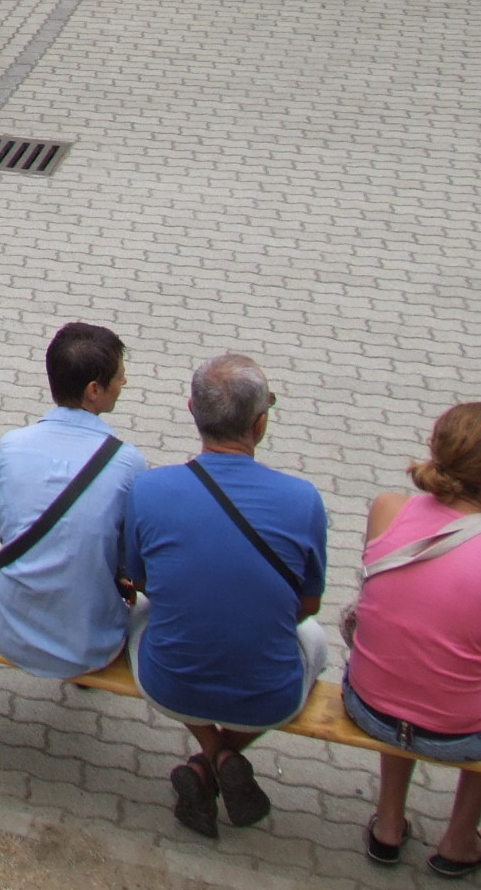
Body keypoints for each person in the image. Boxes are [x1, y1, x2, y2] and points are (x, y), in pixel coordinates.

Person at [121, 353, 329, 841]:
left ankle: (207, 759)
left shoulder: (148, 488)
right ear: (260, 424)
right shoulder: (304, 499)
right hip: (271, 698)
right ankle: (217, 759)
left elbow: (142, 582)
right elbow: (307, 607)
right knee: (316, 640)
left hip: (169, 687)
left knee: (151, 615)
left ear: (192, 411)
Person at [339, 403, 481, 875]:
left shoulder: (387, 509)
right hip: (458, 736)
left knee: (404, 652)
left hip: (369, 707)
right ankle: (459, 840)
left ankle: (388, 825)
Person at [0, 321, 149, 681]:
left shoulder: (11, 445)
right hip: (89, 645)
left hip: (8, 630)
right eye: (119, 376)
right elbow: (127, 560)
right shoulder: (128, 462)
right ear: (94, 390)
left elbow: (9, 532)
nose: (124, 382)